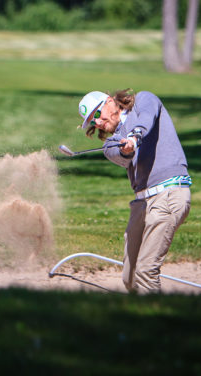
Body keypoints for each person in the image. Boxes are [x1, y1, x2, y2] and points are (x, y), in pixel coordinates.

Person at [78, 89, 191, 293]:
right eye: (91, 122)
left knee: (146, 272)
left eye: (96, 114)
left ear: (110, 101)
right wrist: (126, 147)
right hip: (141, 204)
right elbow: (119, 154)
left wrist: (136, 135)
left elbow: (148, 116)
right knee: (130, 278)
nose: (97, 122)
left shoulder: (143, 100)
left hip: (168, 193)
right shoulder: (112, 143)